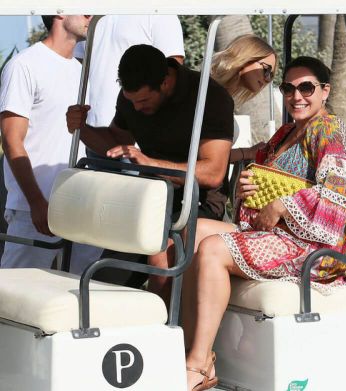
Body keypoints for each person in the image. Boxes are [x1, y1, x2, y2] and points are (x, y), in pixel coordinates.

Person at [184, 57, 346, 391]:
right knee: (192, 231)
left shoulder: (328, 131)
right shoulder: (286, 132)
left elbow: (335, 202)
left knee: (211, 249)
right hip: (280, 234)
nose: (297, 96)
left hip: (314, 246)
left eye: (306, 87)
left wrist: (283, 205)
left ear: (325, 91)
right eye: (288, 88)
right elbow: (259, 188)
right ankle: (191, 350)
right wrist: (246, 189)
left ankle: (198, 363)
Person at [66, 44, 234, 297]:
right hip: (149, 200)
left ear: (165, 82)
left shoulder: (211, 97)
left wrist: (150, 163)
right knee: (104, 282)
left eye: (143, 100)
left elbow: (213, 173)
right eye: (131, 101)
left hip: (198, 203)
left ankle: (166, 331)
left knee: (161, 258)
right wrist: (82, 129)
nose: (136, 108)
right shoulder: (131, 98)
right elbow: (116, 142)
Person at [0, 15, 103, 274]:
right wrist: (36, 202)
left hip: (78, 207)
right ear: (58, 12)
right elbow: (12, 140)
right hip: (33, 210)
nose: (91, 15)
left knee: (77, 299)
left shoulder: (81, 71)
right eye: (84, 9)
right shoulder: (24, 65)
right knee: (14, 300)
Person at [210, 34, 277, 162]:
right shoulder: (214, 95)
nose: (267, 79)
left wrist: (249, 152)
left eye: (271, 75)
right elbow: (210, 159)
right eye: (266, 69)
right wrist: (247, 152)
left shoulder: (220, 95)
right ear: (245, 58)